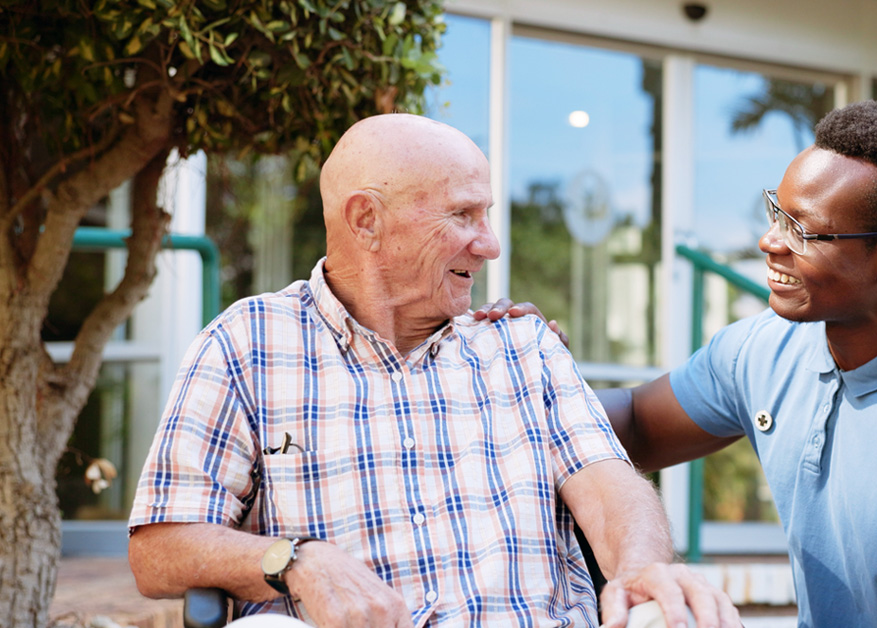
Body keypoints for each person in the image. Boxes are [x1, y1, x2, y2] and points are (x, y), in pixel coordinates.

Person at [127, 114, 739, 628]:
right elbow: (158, 550)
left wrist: (642, 572)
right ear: (365, 220)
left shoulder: (523, 346)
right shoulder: (245, 345)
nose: (490, 244)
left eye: (487, 215)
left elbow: (611, 490)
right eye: (462, 215)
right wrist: (293, 560)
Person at [481, 99, 877, 628]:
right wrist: (532, 374)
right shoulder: (767, 347)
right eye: (776, 211)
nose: (769, 241)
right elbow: (635, 426)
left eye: (801, 230)